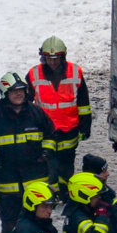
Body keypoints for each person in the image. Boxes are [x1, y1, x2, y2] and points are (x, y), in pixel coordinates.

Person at [0, 72, 57, 233]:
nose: (19, 93)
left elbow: (50, 134)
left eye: (21, 89)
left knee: (40, 218)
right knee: (10, 222)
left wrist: (46, 152)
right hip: (8, 182)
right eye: (14, 91)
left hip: (36, 179)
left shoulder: (36, 112)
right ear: (5, 93)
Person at [27, 36, 92, 184]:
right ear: (43, 57)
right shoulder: (33, 74)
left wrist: (85, 126)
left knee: (66, 166)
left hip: (69, 130)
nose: (53, 62)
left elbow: (83, 103)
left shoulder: (75, 72)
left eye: (56, 58)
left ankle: (65, 192)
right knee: (47, 166)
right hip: (45, 130)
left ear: (63, 56)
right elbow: (27, 105)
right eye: (49, 58)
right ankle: (52, 192)